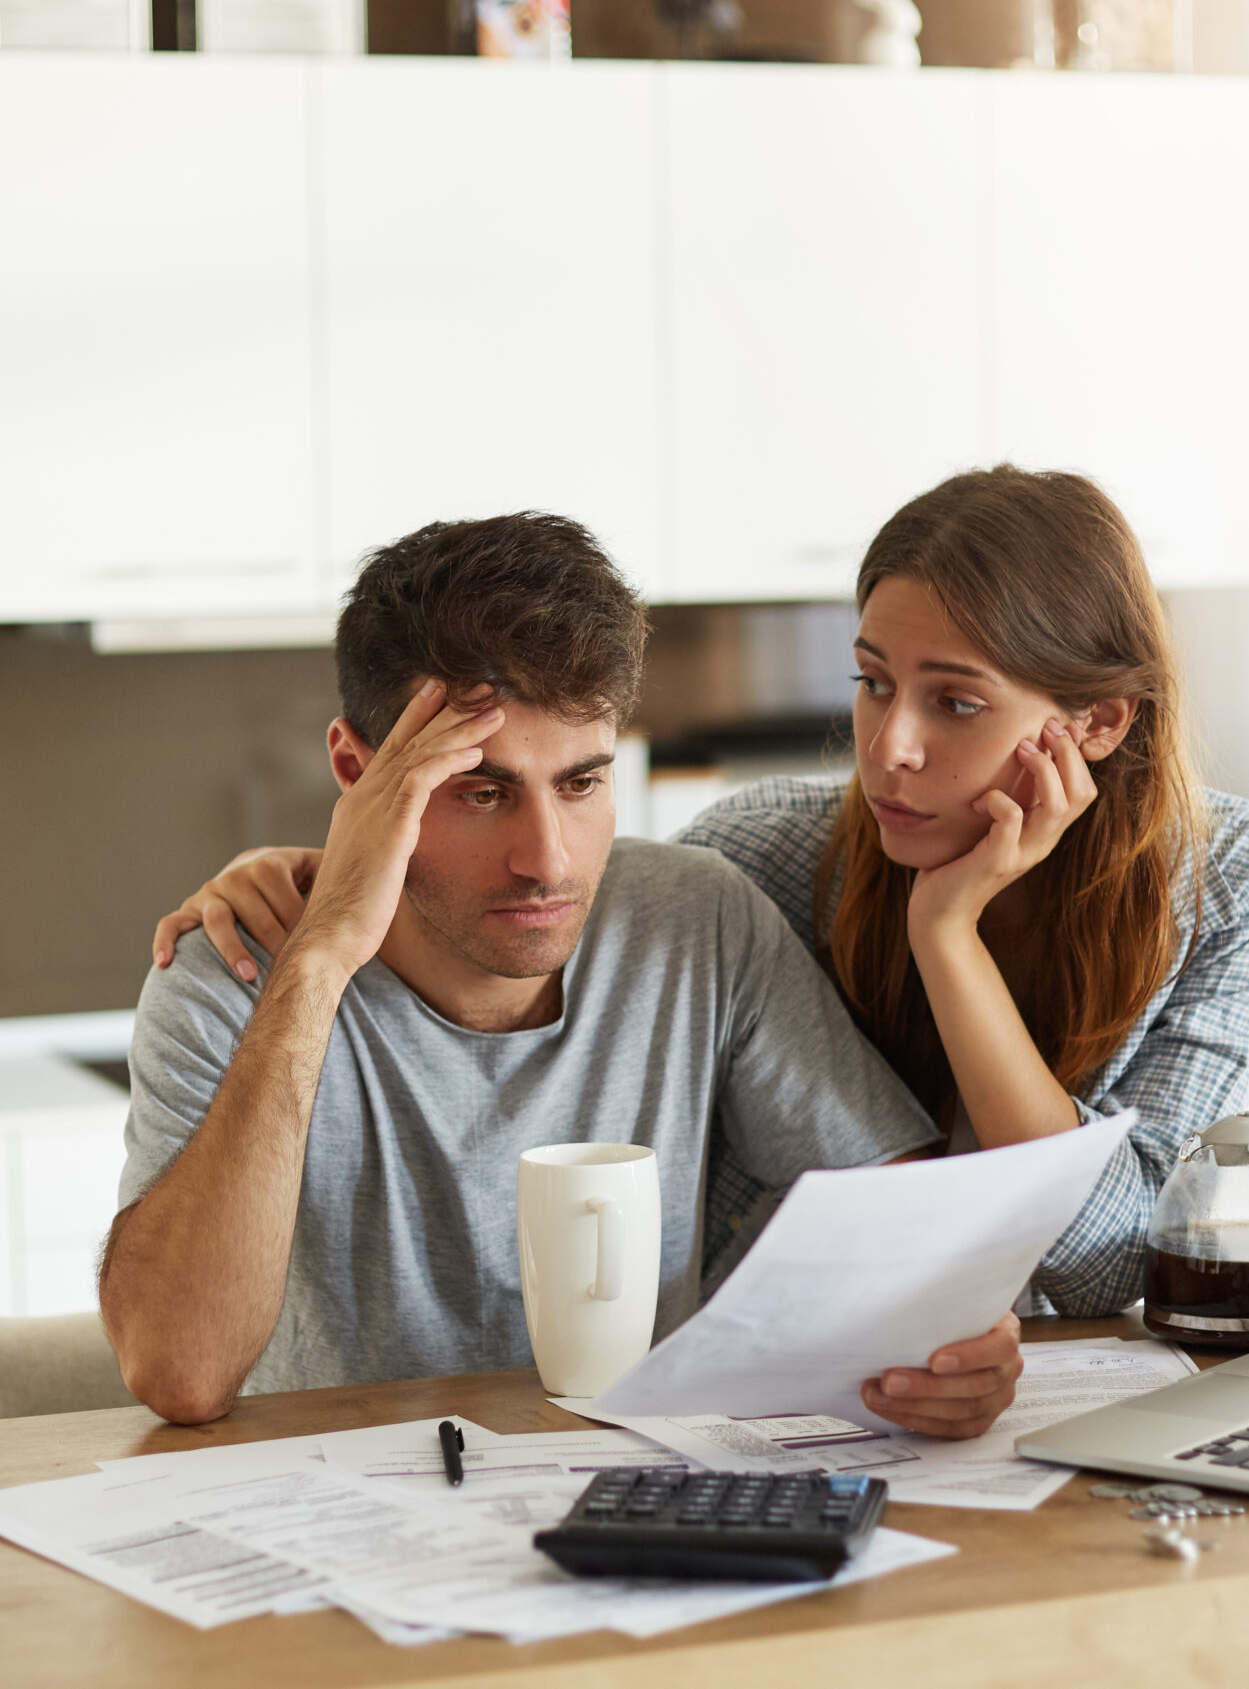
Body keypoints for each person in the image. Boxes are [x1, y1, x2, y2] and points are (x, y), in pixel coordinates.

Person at [153, 466, 1249, 1318]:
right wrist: (329, 880)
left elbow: (1106, 1262)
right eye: (869, 685)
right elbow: (545, 898)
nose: (889, 749)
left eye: (953, 704)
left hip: (1024, 1379)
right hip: (804, 1387)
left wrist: (945, 935)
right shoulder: (757, 858)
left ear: (1098, 722)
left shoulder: (1237, 885)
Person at [100, 511, 1025, 1434]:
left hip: (636, 1502)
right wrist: (321, 957)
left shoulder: (697, 919)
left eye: (581, 782)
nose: (546, 859)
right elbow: (181, 1374)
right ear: (356, 770)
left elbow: (910, 1229)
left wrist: (953, 1343)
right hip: (342, 1519)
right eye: (480, 790)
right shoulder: (230, 970)